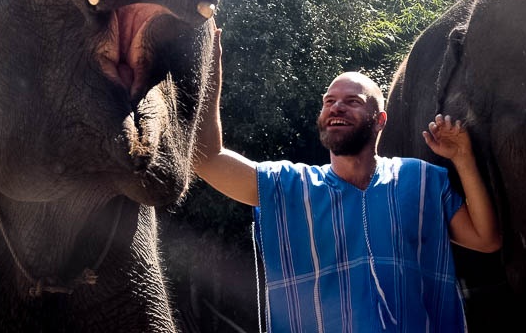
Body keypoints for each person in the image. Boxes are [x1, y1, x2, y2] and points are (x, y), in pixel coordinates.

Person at [195, 27, 501, 332]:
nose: (336, 106)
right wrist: (208, 68)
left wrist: (463, 158)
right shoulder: (291, 187)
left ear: (380, 119)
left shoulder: (419, 181)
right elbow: (206, 158)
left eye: (352, 100)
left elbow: (486, 239)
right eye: (329, 101)